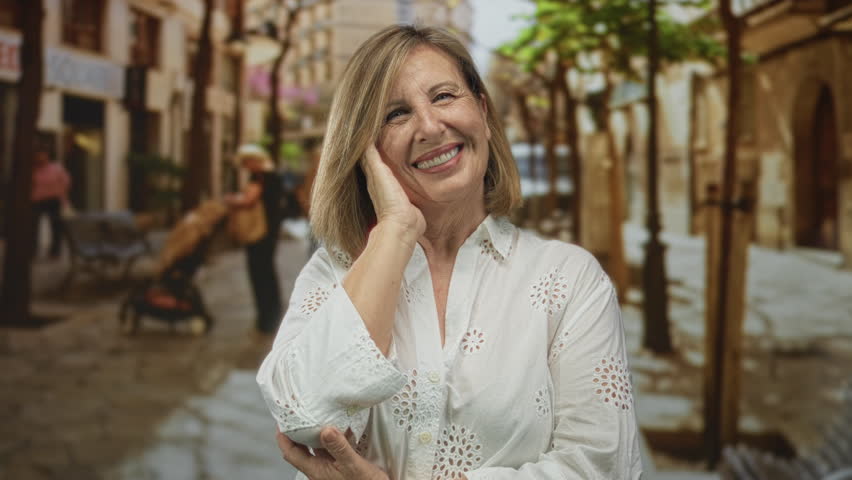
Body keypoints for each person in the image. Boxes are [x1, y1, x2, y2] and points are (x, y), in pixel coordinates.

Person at [256, 25, 642, 480]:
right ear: (365, 150)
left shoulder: (570, 279)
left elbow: (603, 466)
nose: (430, 126)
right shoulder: (334, 272)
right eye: (396, 114)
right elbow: (302, 418)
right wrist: (396, 230)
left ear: (481, 109)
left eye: (443, 96)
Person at [227, 144, 285, 334]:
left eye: (246, 162)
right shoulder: (273, 177)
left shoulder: (259, 178)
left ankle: (266, 318)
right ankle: (272, 314)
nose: (245, 166)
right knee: (267, 272)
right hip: (270, 231)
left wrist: (230, 201)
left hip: (259, 233)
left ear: (254, 160)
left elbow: (248, 200)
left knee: (259, 273)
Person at [31, 143, 71, 259]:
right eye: (38, 155)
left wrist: (62, 196)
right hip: (37, 200)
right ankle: (32, 251)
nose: (40, 157)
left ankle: (55, 252)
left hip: (53, 200)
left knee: (56, 226)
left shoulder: (56, 168)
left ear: (47, 155)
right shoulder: (33, 169)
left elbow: (66, 182)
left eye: (43, 155)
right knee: (33, 227)